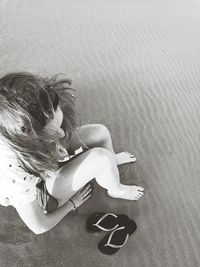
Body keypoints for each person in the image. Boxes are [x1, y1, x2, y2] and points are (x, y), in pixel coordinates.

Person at [0, 72, 144, 234]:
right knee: (101, 158)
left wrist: (52, 142)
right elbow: (39, 226)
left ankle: (111, 167)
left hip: (36, 154)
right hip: (42, 194)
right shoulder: (12, 176)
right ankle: (115, 189)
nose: (62, 135)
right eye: (54, 132)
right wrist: (72, 204)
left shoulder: (9, 114)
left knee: (99, 133)